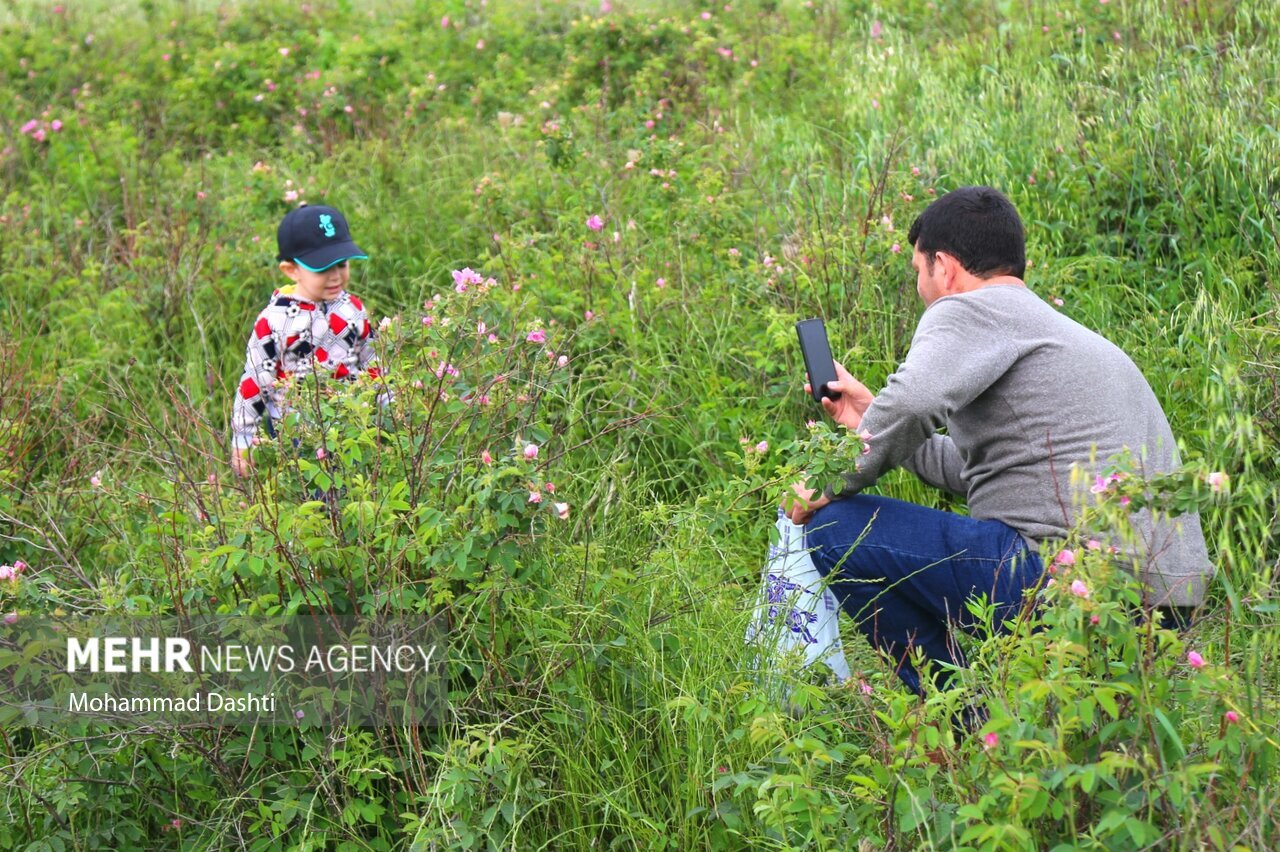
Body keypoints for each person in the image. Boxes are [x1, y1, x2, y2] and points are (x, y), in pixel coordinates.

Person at [784, 186, 1213, 696]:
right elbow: (978, 473)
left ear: (943, 266)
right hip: (1166, 604)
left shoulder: (970, 309)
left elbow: (915, 403)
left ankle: (962, 715)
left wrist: (834, 476)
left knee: (835, 527)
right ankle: (1011, 716)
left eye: (918, 272)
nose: (921, 287)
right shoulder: (1058, 331)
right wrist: (865, 421)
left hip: (1074, 582)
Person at [230, 204, 380, 477]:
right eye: (322, 268)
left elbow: (371, 361)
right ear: (291, 270)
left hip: (353, 421)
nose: (335, 276)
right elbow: (254, 381)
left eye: (342, 264)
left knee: (360, 492)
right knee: (316, 498)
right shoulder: (275, 320)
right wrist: (243, 439)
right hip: (297, 430)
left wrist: (388, 406)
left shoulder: (352, 308)